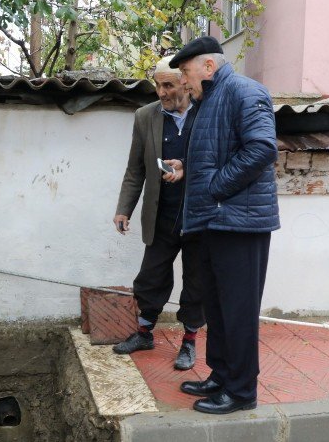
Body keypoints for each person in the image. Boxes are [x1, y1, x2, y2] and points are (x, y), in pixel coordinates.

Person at [163, 36, 280, 414]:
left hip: (240, 224)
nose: (183, 81)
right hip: (215, 221)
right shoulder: (209, 99)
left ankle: (242, 391)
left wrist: (214, 186)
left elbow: (262, 148)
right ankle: (221, 375)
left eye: (185, 72)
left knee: (238, 310)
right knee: (216, 306)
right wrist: (190, 169)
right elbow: (219, 153)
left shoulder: (245, 92)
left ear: (208, 67)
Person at [111, 55, 205, 371]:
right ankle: (143, 333)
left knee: (195, 283)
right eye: (157, 85)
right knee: (150, 279)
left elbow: (218, 163)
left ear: (185, 83)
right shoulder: (145, 117)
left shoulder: (206, 114)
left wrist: (187, 170)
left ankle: (189, 343)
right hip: (161, 214)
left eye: (168, 85)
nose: (161, 92)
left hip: (197, 217)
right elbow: (135, 169)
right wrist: (124, 209)